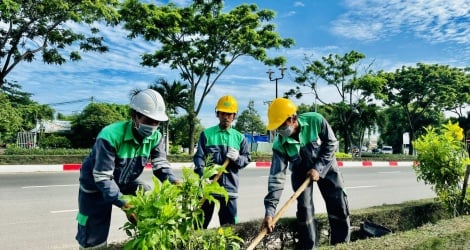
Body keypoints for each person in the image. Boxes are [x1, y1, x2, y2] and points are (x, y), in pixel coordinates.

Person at [76, 89, 181, 249]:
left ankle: (146, 237)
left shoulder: (156, 137)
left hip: (125, 181)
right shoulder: (110, 135)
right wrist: (125, 205)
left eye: (157, 122)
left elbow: (161, 165)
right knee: (94, 237)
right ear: (135, 116)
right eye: (149, 120)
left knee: (146, 196)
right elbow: (103, 178)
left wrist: (173, 181)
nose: (153, 126)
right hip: (96, 187)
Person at [262, 98, 350, 249]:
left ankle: (341, 245)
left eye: (281, 125)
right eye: (276, 127)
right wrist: (270, 212)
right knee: (305, 210)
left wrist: (318, 168)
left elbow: (331, 143)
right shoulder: (279, 144)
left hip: (327, 165)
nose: (279, 130)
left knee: (338, 203)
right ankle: (310, 247)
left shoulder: (315, 120)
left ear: (293, 118)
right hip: (300, 173)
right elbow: (276, 178)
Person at [193, 95, 251, 229]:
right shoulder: (207, 134)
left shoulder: (239, 138)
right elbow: (199, 158)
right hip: (208, 188)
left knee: (229, 229)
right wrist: (203, 175)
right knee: (199, 226)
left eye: (229, 114)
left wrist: (237, 158)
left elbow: (247, 158)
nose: (226, 117)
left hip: (229, 191)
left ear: (234, 116)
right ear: (217, 114)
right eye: (223, 113)